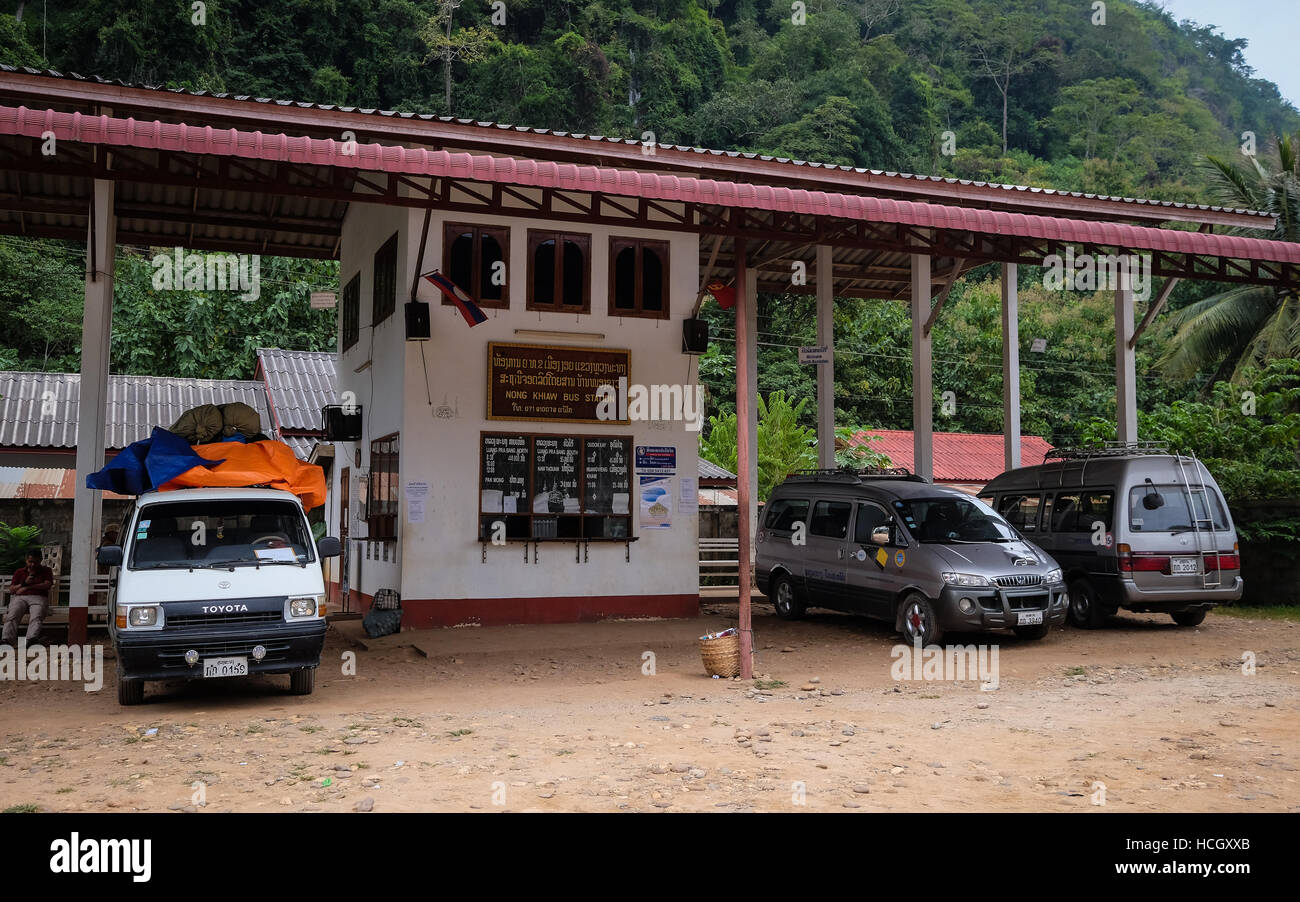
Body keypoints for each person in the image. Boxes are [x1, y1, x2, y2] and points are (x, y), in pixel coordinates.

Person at [3, 551, 54, 645]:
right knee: (13, 614)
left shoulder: (46, 570)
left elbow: (47, 585)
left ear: (40, 560)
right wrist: (23, 583)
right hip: (20, 598)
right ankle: (7, 639)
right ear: (26, 560)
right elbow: (12, 589)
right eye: (30, 561)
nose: (33, 564)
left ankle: (31, 639)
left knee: (37, 614)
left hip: (39, 597)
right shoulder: (19, 572)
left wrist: (27, 587)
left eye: (36, 562)